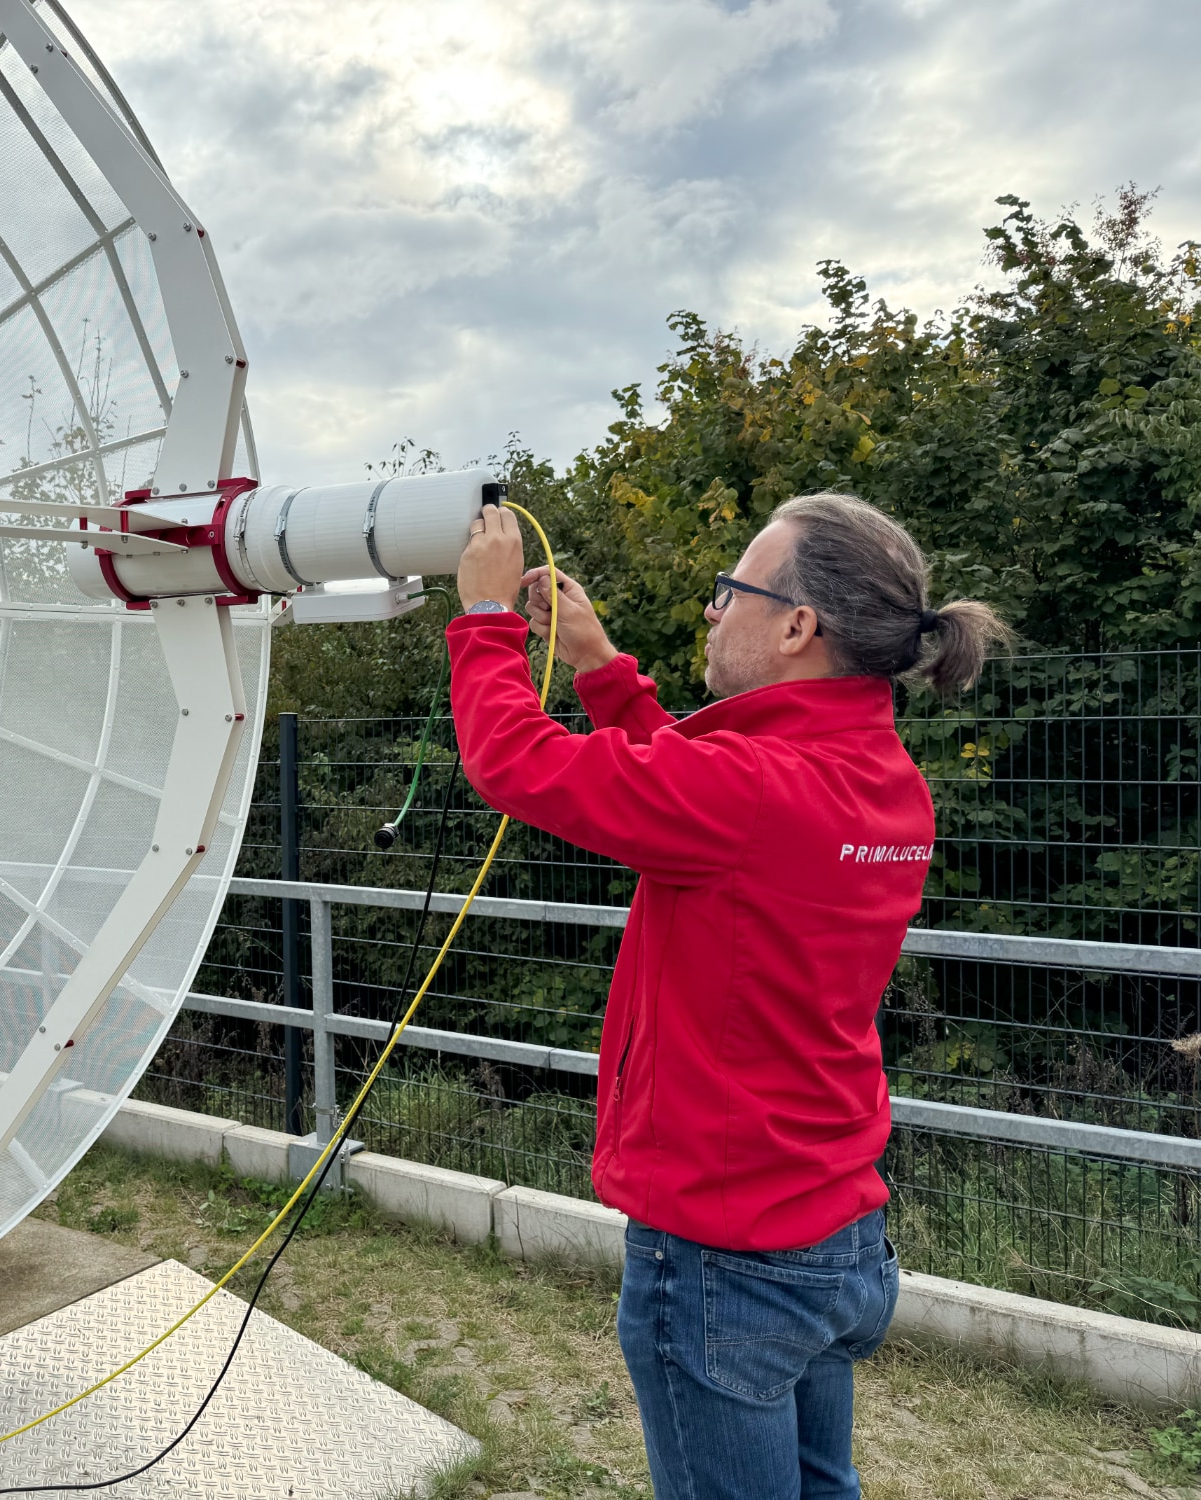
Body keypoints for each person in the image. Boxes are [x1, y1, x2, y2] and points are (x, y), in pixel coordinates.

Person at [449, 492, 1009, 1500]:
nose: (710, 613)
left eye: (728, 592)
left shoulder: (752, 791)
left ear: (797, 626)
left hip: (722, 1259)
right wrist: (595, 664)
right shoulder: (880, 781)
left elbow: (515, 763)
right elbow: (698, 790)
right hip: (834, 1238)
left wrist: (486, 624)